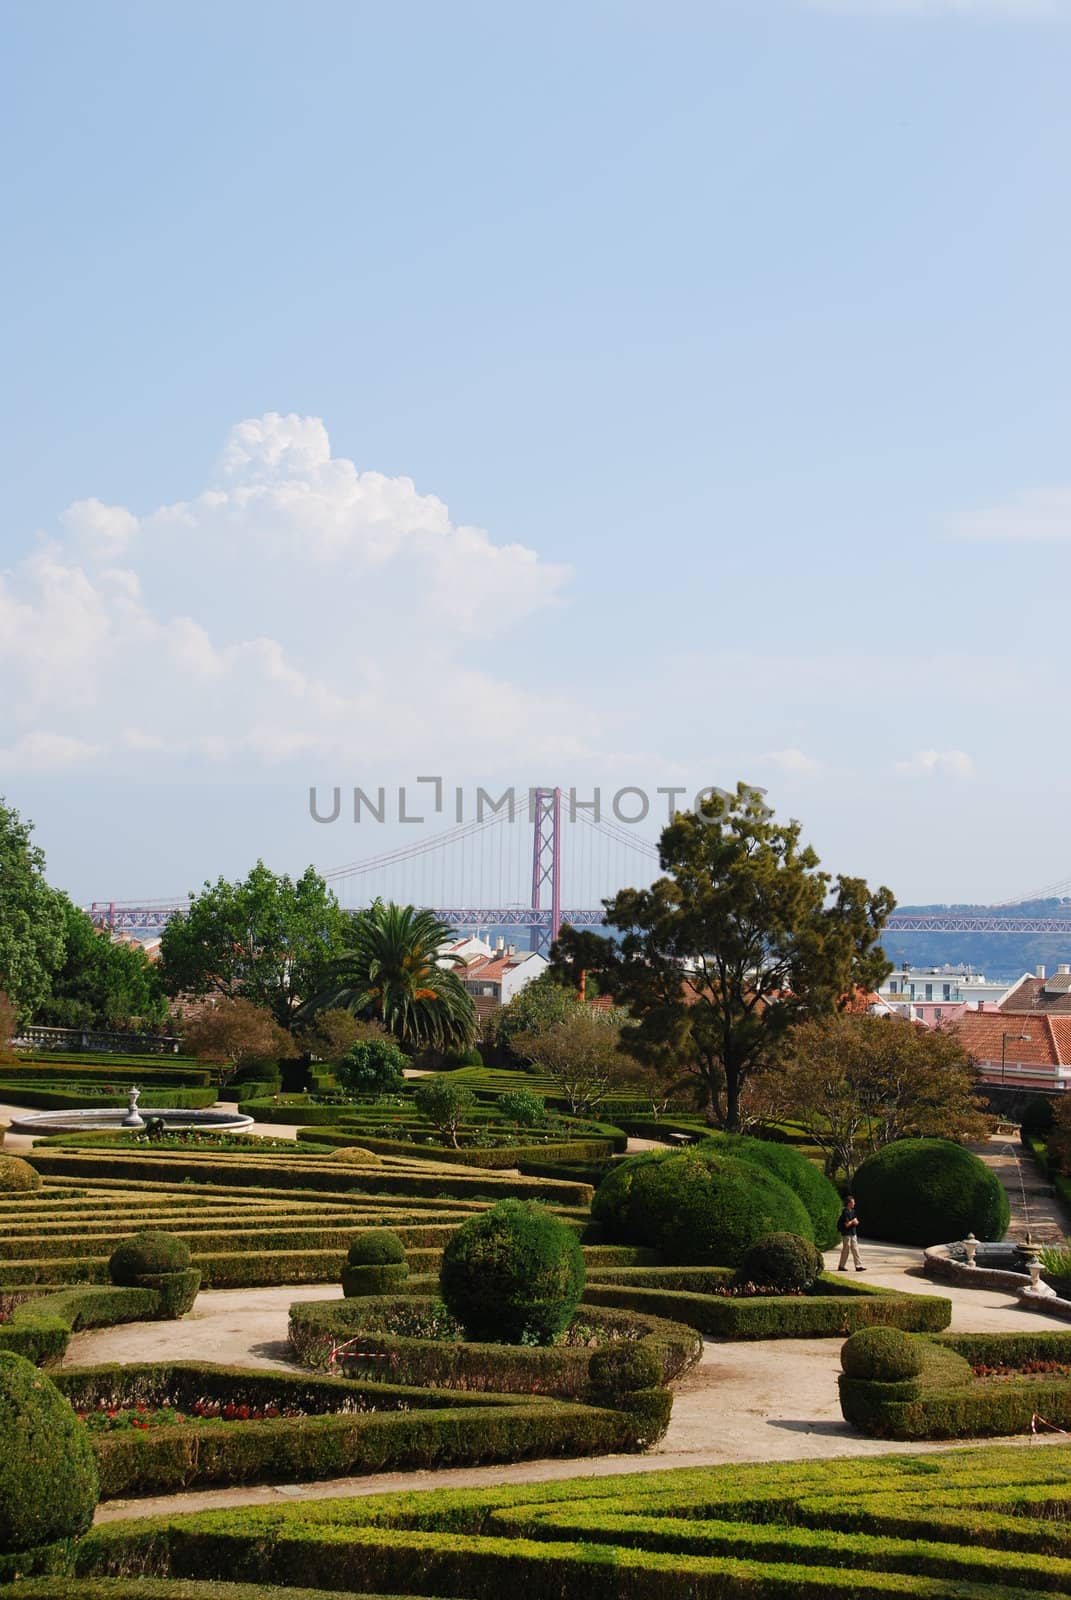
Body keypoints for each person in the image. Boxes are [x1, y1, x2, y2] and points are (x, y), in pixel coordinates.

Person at [837, 1195, 865, 1271]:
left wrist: (855, 1222)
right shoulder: (845, 1212)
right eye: (853, 1202)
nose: (854, 1203)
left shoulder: (853, 1211)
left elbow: (856, 1221)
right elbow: (847, 1225)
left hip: (853, 1233)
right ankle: (841, 1266)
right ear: (849, 1203)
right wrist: (853, 1221)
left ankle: (858, 1266)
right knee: (846, 1250)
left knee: (856, 1249)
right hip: (846, 1234)